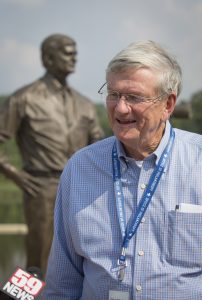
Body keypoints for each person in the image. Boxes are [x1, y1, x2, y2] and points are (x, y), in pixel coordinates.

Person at [43, 40, 202, 300]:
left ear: (168, 105)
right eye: (114, 94)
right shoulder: (80, 168)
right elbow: (63, 284)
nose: (120, 108)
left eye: (134, 97)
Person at [0, 33, 103, 275]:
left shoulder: (85, 104)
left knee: (85, 253)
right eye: (68, 51)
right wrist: (16, 175)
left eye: (75, 51)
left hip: (82, 187)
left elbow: (100, 146)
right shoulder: (23, 98)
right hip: (42, 188)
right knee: (39, 259)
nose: (74, 56)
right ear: (47, 58)